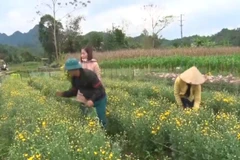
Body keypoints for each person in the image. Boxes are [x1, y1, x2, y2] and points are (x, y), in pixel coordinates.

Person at [56, 58, 107, 128]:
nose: (68, 72)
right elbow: (74, 91)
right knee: (86, 119)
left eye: (69, 70)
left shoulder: (89, 75)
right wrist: (63, 94)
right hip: (87, 99)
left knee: (101, 120)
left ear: (74, 69)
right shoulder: (74, 79)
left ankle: (104, 135)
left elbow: (99, 89)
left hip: (99, 99)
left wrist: (92, 100)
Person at [77, 46, 102, 115]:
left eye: (83, 53)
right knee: (82, 113)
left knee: (91, 114)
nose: (82, 55)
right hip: (82, 93)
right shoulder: (80, 64)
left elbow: (98, 79)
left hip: (91, 93)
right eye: (81, 54)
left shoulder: (94, 64)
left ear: (89, 53)